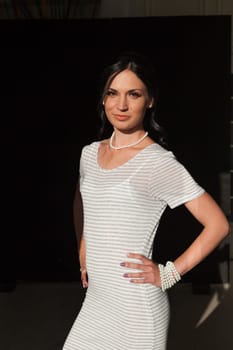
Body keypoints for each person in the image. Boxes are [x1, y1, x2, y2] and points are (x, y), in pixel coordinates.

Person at [62, 51, 230, 350]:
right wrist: (83, 248)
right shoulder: (89, 153)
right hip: (97, 300)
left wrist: (168, 274)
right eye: (113, 93)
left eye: (134, 94)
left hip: (136, 309)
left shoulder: (158, 162)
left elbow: (217, 225)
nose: (122, 105)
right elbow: (82, 200)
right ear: (103, 99)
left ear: (149, 100)